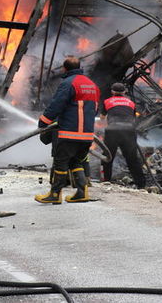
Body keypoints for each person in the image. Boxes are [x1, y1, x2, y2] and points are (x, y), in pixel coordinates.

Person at [36, 56, 99, 204]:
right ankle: (82, 193)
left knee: (60, 162)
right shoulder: (92, 85)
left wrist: (43, 122)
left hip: (69, 133)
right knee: (76, 162)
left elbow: (56, 105)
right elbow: (95, 109)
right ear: (80, 67)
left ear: (65, 69)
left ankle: (55, 194)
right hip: (87, 135)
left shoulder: (68, 83)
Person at [101, 82, 146, 189]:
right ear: (124, 92)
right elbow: (133, 118)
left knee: (107, 156)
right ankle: (141, 185)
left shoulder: (107, 101)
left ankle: (106, 180)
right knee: (132, 159)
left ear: (112, 92)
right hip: (128, 130)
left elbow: (102, 118)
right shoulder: (131, 103)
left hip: (112, 130)